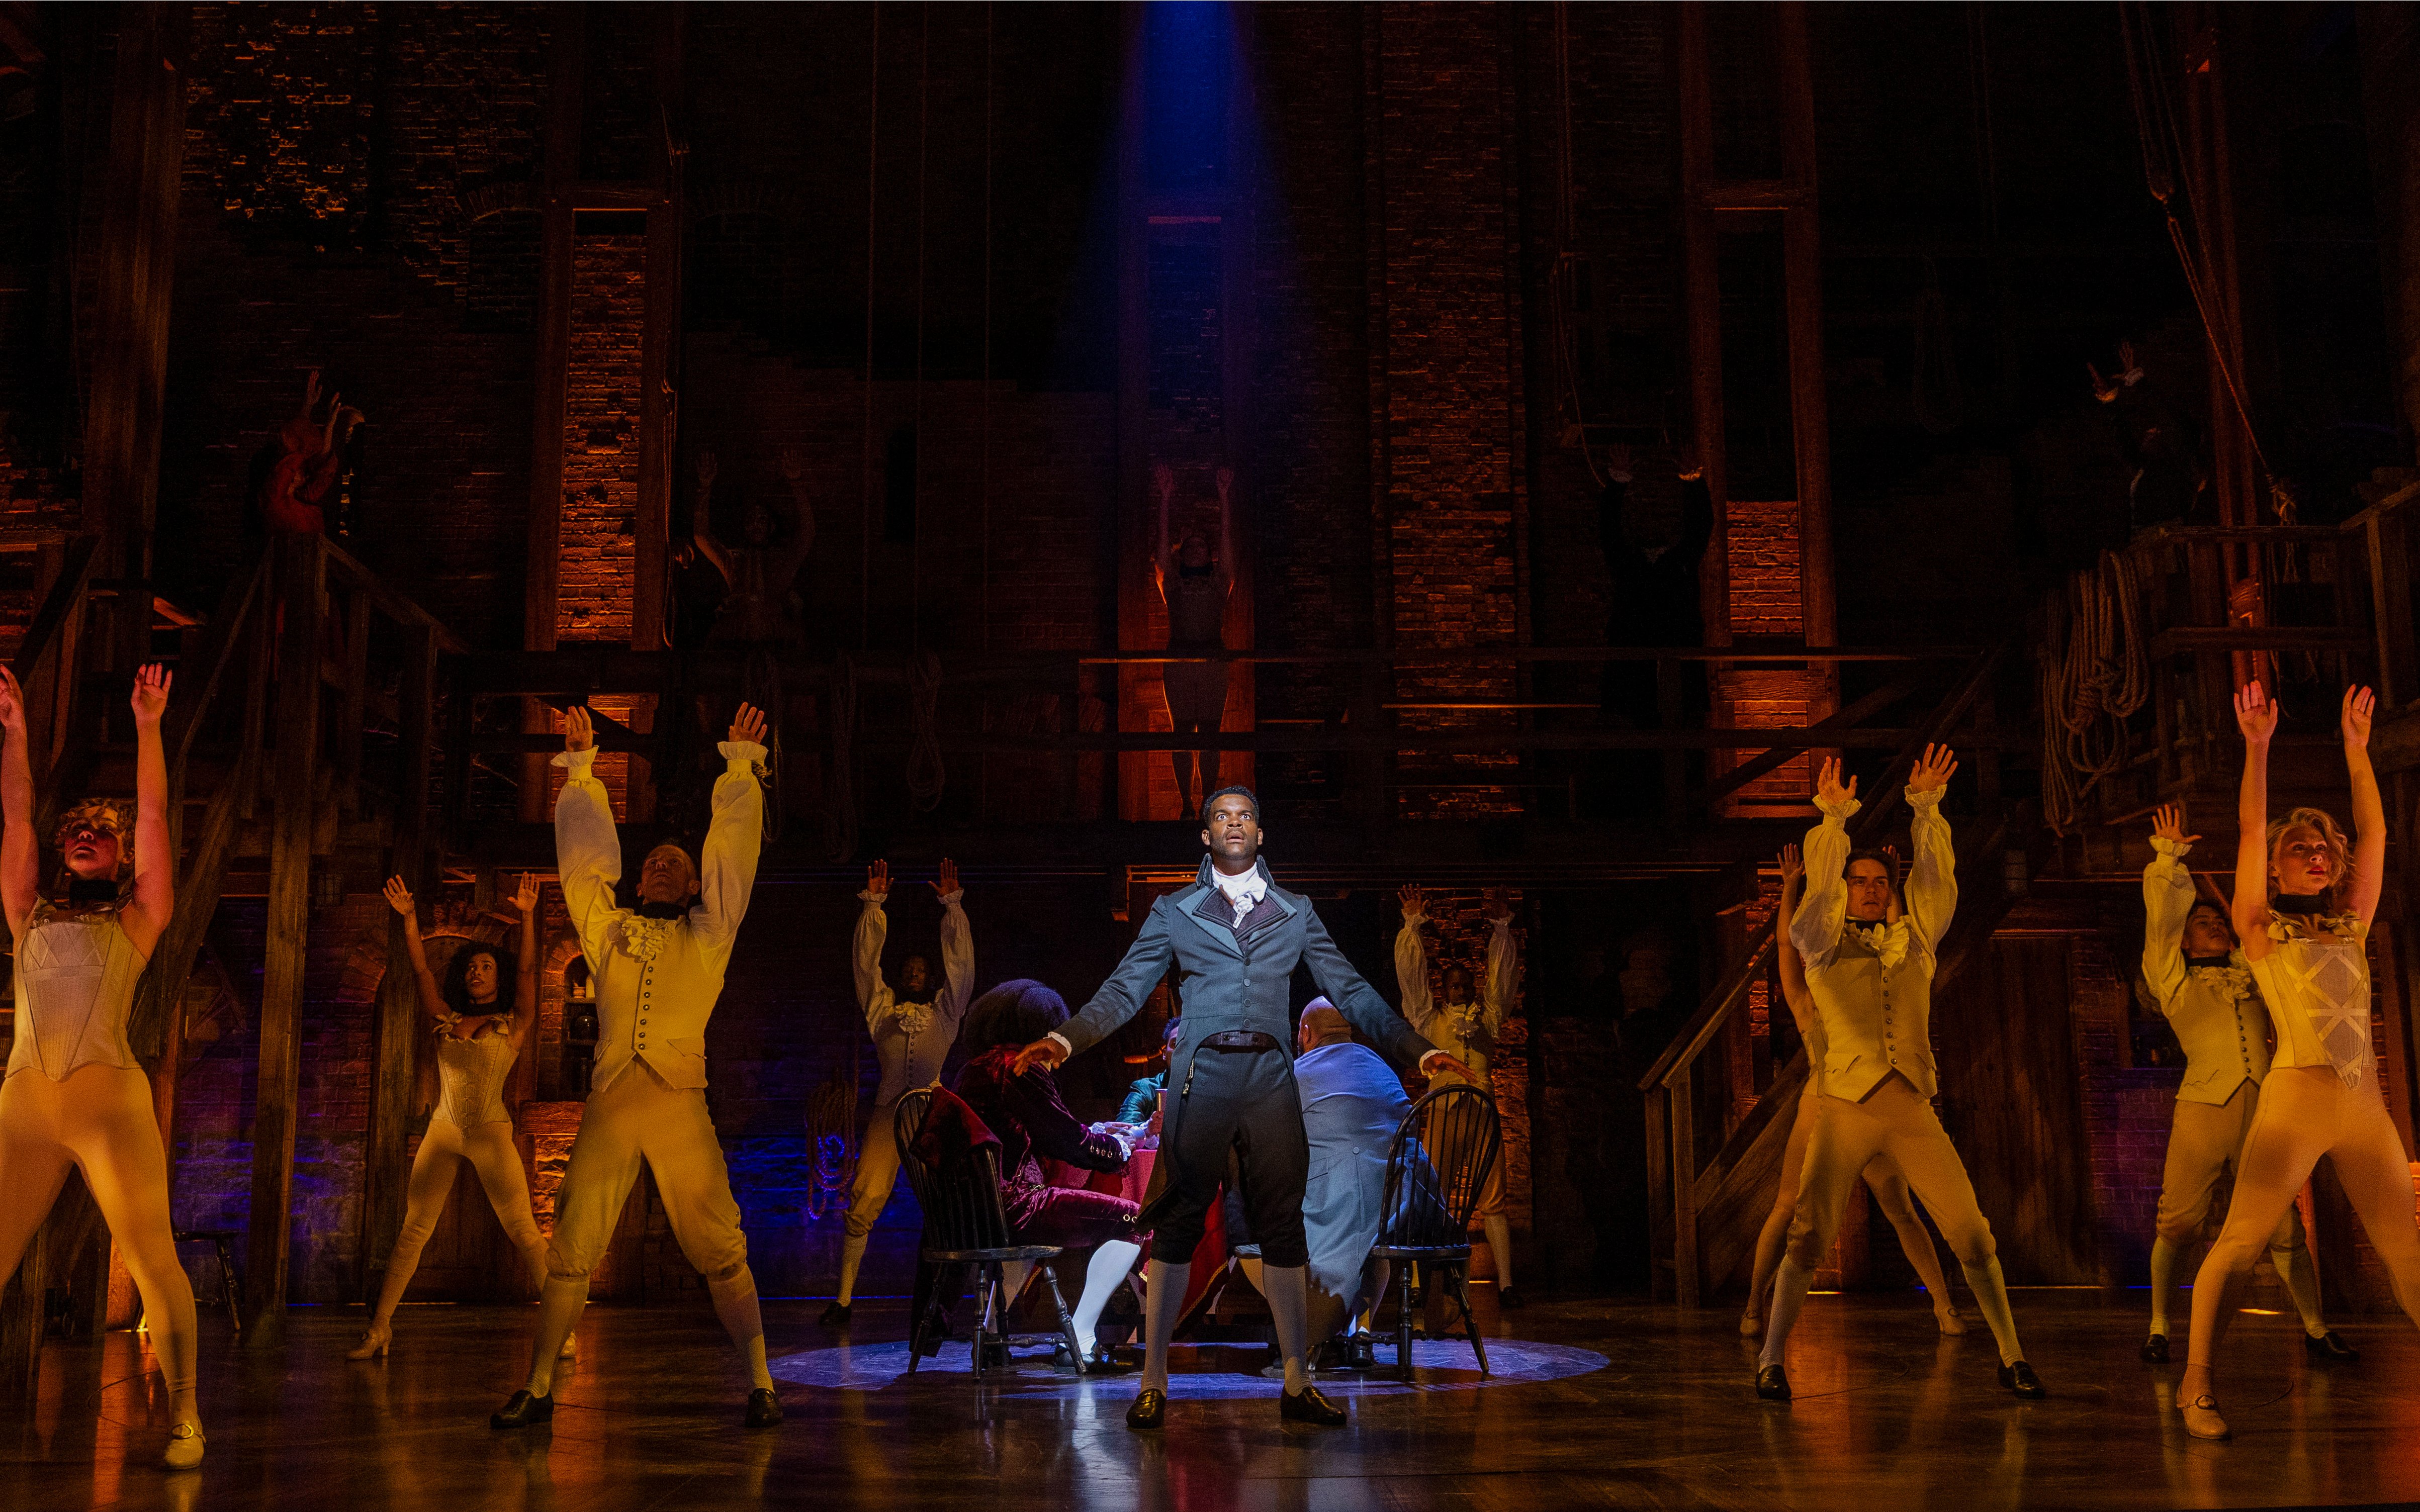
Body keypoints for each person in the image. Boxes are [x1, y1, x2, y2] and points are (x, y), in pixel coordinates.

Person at [1010, 786, 1476, 1430]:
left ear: (1260, 834)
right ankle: (1153, 1382)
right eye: (1221, 816)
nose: (1234, 823)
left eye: (1246, 815)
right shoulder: (1175, 910)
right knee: (1177, 1224)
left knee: (1283, 1226)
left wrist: (1418, 1050)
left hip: (1269, 1079)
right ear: (1206, 836)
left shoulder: (1295, 911)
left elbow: (1350, 989)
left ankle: (1297, 1380)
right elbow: (1124, 988)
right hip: (1201, 1077)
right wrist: (1065, 1039)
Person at [490, 701, 781, 1431]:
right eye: (652, 861)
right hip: (614, 1100)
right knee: (572, 1245)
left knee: (720, 1243)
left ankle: (761, 1382)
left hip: (679, 1099)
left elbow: (732, 860)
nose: (657, 866)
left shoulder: (709, 934)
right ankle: (538, 1385)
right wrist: (582, 776)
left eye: (673, 864)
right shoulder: (611, 933)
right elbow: (585, 871)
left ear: (692, 886)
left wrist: (740, 771)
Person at [1754, 747, 2044, 1404]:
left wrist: (1926, 808)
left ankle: (2011, 1355)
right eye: (1857, 881)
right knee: (1808, 1232)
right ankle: (1771, 1358)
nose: (1869, 888)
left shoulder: (1916, 940)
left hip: (1910, 1106)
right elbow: (1811, 909)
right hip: (1843, 1106)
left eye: (1879, 880)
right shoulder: (1822, 944)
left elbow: (1938, 879)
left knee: (1971, 1233)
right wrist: (1831, 822)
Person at [2175, 685, 2420, 1441]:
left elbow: (2375, 834)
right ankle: (2195, 1382)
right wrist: (2257, 747)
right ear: (2278, 869)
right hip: (2295, 1102)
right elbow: (2251, 829)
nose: (2315, 855)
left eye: (2322, 849)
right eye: (2299, 849)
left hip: (2363, 1108)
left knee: (2408, 1252)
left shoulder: (2350, 925)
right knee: (2241, 1242)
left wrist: (2357, 752)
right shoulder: (2259, 928)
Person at [0, 665, 206, 1468]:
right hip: (24, 1108)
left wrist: (149, 726)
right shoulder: (28, 914)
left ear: (120, 856)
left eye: (100, 831)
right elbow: (17, 819)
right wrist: (17, 735)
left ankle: (186, 1414)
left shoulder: (139, 917)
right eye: (76, 831)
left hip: (110, 1105)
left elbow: (154, 815)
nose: (84, 834)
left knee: (152, 1255)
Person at [2136, 803, 2343, 1366]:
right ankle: (2158, 1325)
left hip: (2263, 1107)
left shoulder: (2249, 970)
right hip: (2203, 1107)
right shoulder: (2172, 979)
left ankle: (2316, 1327)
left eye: (2216, 919)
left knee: (2284, 1226)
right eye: (2202, 922)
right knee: (2178, 1221)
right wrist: (2168, 862)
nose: (2214, 925)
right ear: (2185, 940)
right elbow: (2159, 928)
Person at [1741, 844, 1964, 1340]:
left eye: (1876, 884)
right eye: (1860, 883)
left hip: (1875, 1099)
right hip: (1824, 1102)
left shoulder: (1869, 970)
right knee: (1788, 1205)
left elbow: (1899, 939)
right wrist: (1791, 886)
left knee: (1900, 1207)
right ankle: (1754, 1303)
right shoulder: (1808, 998)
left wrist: (1894, 886)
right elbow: (1786, 947)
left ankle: (1944, 1306)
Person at [351, 872, 567, 1362]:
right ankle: (380, 1328)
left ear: (498, 976)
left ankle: (563, 1327)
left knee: (523, 1228)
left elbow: (529, 970)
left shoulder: (513, 1022)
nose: (476, 972)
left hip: (489, 1131)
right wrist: (409, 919)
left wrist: (529, 916)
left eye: (486, 966)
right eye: (471, 966)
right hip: (445, 1129)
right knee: (414, 1229)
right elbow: (421, 972)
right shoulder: (446, 1017)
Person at [949, 980, 1142, 1371]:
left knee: (1041, 1232)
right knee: (1137, 1219)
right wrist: (1117, 1149)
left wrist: (1096, 1132)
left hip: (970, 1210)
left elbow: (1039, 1128)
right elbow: (1066, 1139)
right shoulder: (1018, 1066)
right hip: (1014, 1205)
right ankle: (1081, 1338)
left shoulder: (976, 1068)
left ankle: (990, 1337)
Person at [824, 857, 974, 1327]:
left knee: (948, 1204)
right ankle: (843, 1300)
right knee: (864, 1198)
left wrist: (952, 908)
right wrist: (873, 906)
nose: (913, 975)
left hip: (932, 1114)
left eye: (920, 970)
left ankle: (947, 1305)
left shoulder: (945, 1014)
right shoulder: (882, 1013)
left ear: (928, 978)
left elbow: (962, 971)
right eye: (907, 969)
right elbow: (864, 968)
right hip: (889, 1114)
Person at [1395, 884, 1523, 1307]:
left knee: (1494, 1199)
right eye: (1453, 986)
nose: (1460, 991)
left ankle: (1506, 1285)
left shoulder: (1488, 1018)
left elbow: (1503, 982)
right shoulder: (1429, 1019)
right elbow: (1411, 982)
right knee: (1429, 1192)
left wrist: (1501, 928)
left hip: (1482, 1114)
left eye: (1465, 984)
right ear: (1444, 989)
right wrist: (1412, 925)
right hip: (1444, 1112)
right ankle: (1418, 1284)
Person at [1291, 1002, 1411, 1365]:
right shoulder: (1380, 1067)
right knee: (1378, 1237)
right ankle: (1361, 1332)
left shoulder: (1300, 1072)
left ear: (1306, 1033)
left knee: (1263, 1225)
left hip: (1346, 1197)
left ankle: (1312, 1333)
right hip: (1409, 1199)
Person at [1151, 462, 1235, 820]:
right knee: (1183, 732)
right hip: (1181, 659)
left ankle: (1208, 803)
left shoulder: (1219, 583)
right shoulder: (1173, 584)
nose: (1198, 548)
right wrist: (1165, 499)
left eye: (1203, 545)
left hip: (1213, 659)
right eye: (1192, 545)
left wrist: (1224, 498)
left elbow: (1228, 551)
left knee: (1211, 733)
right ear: (1183, 553)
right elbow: (1160, 556)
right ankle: (1186, 804)